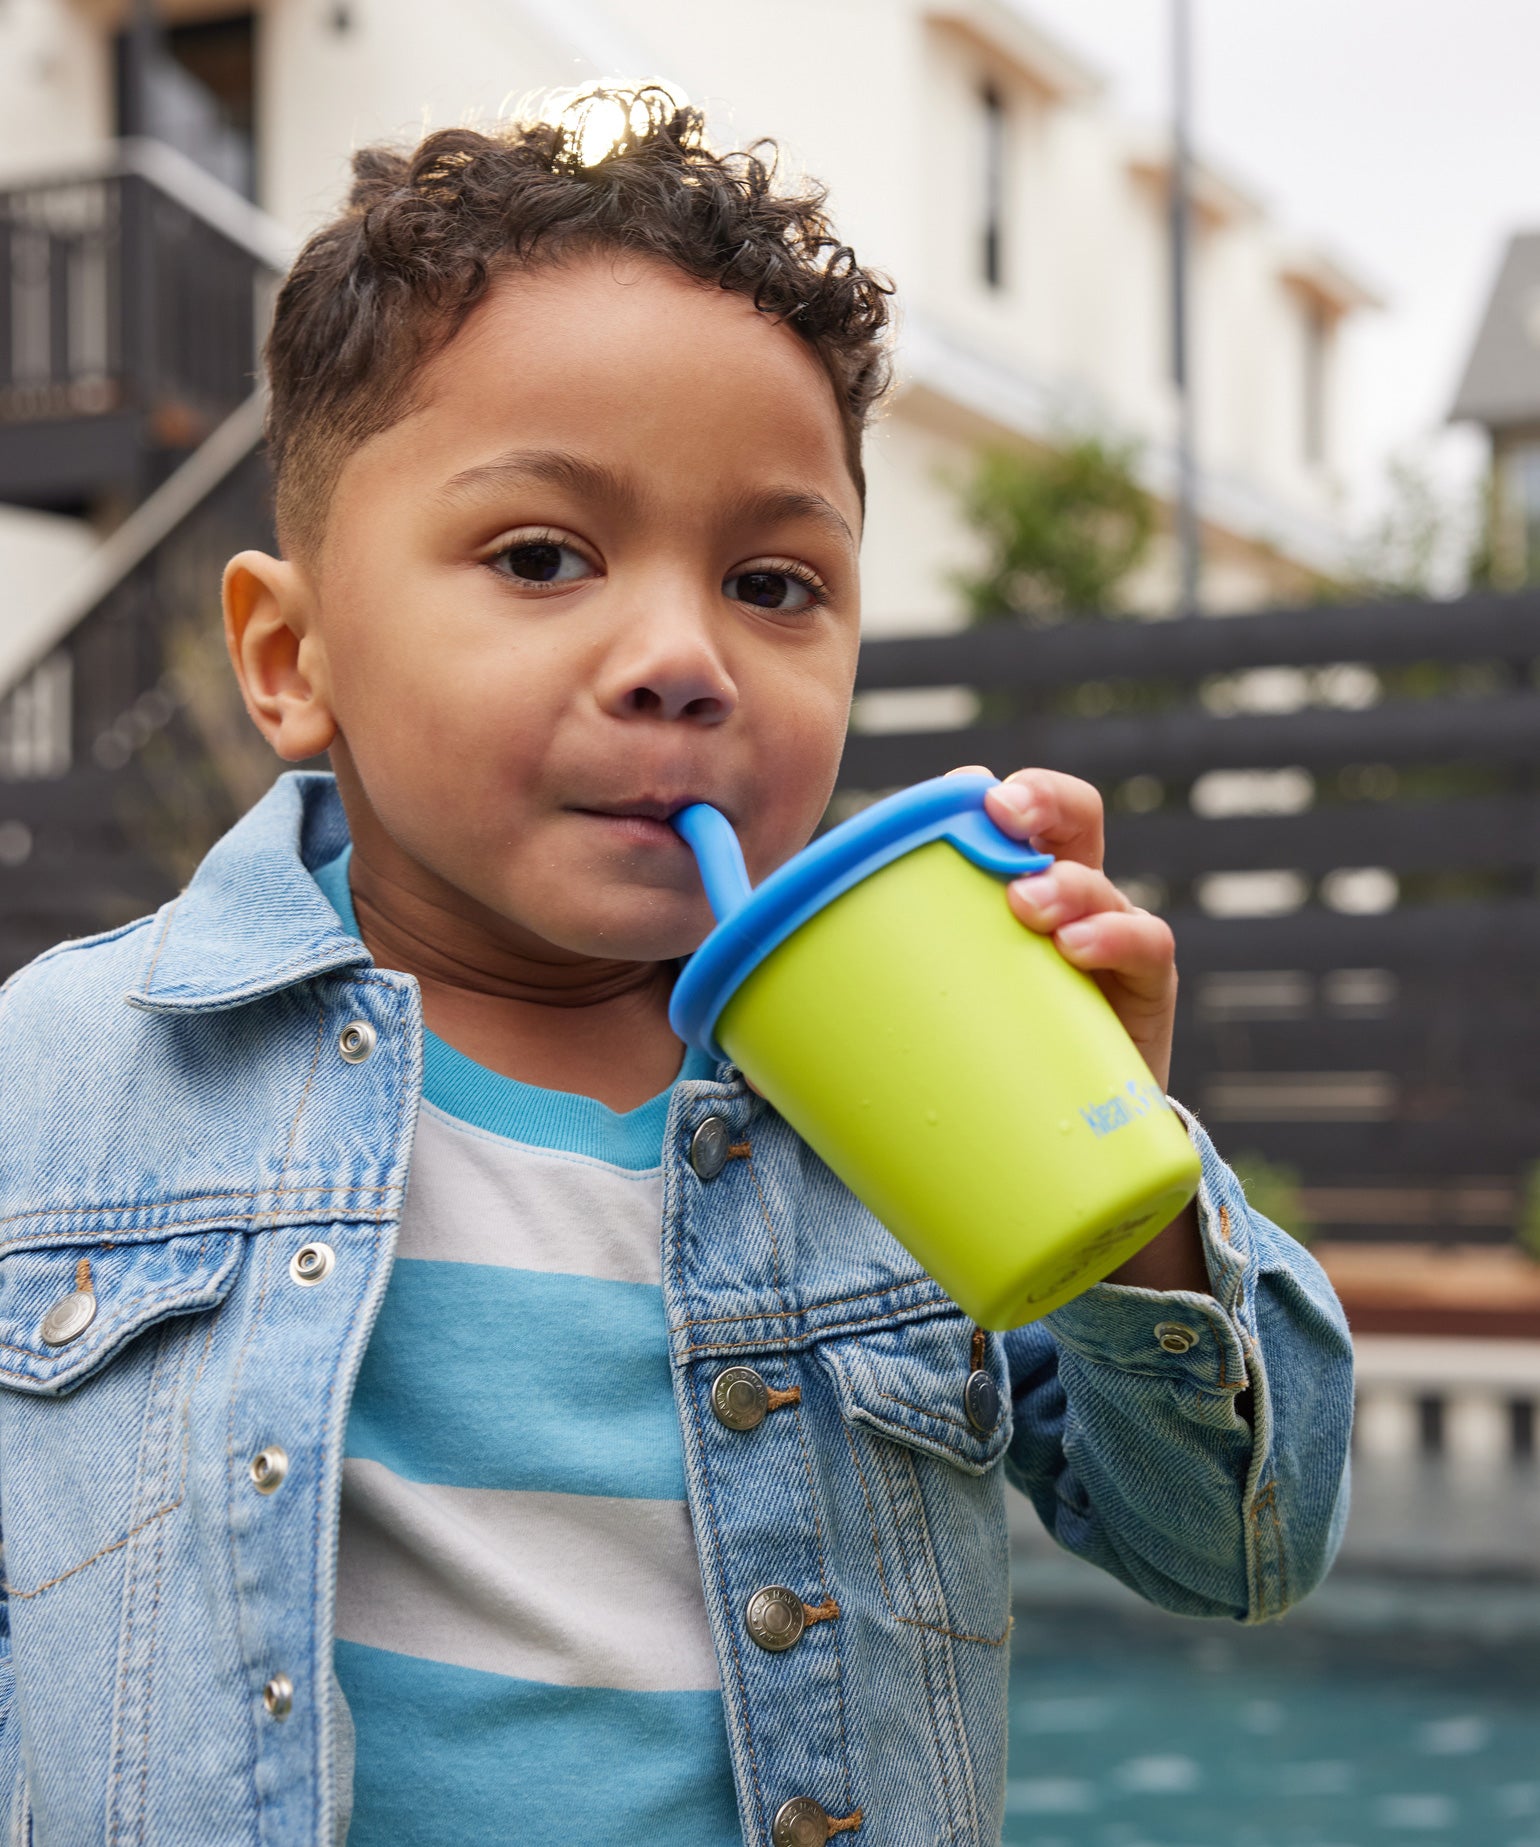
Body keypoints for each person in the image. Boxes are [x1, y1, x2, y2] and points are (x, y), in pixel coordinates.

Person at [0, 90, 1352, 1847]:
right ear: (290, 653)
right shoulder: (63, 1078)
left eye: (775, 583)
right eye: (543, 557)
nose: (681, 658)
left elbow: (1233, 1551)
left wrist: (1124, 1180)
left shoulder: (900, 1114)